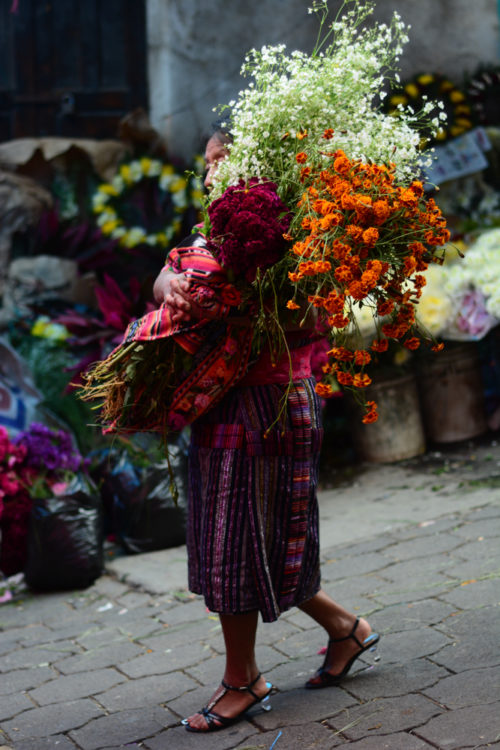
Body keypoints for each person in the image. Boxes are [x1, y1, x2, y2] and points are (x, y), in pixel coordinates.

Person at [152, 128, 380, 733]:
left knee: (238, 540)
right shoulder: (215, 232)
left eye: (219, 164)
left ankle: (242, 680)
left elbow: (307, 317)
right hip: (222, 407)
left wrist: (237, 297)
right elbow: (167, 271)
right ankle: (346, 630)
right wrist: (171, 289)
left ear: (256, 165)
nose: (207, 177)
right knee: (255, 536)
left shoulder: (294, 235)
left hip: (270, 404)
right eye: (204, 166)